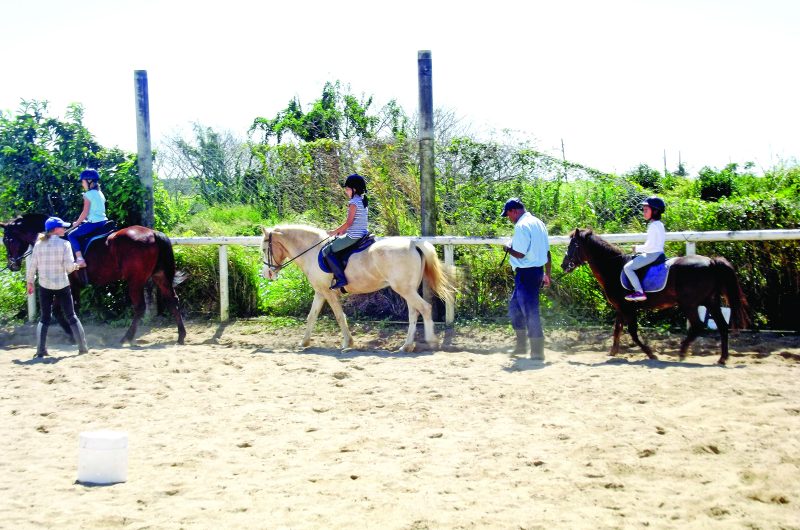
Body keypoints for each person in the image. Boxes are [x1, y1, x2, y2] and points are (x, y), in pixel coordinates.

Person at [26, 217, 89, 358]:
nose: (65, 229)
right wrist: (77, 265)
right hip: (62, 285)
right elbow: (68, 268)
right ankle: (83, 348)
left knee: (44, 318)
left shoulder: (38, 245)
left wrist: (30, 282)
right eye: (62, 227)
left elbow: (32, 267)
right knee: (71, 316)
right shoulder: (65, 244)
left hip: (44, 286)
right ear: (55, 230)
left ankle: (41, 350)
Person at [501, 198, 551, 361]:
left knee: (530, 311)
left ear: (514, 211)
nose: (509, 219)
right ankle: (522, 347)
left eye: (508, 215)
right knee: (515, 308)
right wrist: (547, 274)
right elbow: (547, 252)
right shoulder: (539, 223)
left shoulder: (521, 226)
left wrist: (507, 248)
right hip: (537, 271)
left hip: (525, 274)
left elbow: (520, 254)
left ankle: (537, 351)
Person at [322, 174, 369, 290]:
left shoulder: (353, 203)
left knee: (326, 250)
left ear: (354, 189)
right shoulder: (362, 200)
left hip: (354, 236)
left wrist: (334, 232)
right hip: (363, 233)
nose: (346, 192)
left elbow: (349, 223)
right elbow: (356, 221)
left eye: (347, 189)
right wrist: (342, 231)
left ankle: (341, 279)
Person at [622, 196, 666, 302]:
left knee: (628, 268)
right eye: (643, 210)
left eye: (646, 210)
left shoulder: (653, 226)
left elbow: (650, 247)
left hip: (652, 255)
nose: (644, 213)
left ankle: (639, 292)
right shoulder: (659, 224)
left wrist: (636, 248)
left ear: (655, 211)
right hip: (659, 253)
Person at [68, 168, 108, 268]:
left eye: (83, 182)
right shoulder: (100, 194)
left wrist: (76, 223)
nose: (82, 184)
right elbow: (95, 211)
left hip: (94, 223)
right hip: (104, 222)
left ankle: (80, 260)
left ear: (89, 181)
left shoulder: (88, 195)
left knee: (71, 235)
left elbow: (85, 212)